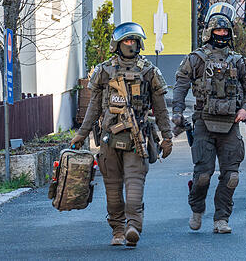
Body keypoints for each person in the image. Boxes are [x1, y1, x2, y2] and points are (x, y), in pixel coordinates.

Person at [71, 22, 173, 248]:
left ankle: (133, 227)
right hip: (109, 139)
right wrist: (82, 134)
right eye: (127, 40)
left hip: (137, 140)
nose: (131, 44)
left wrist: (167, 136)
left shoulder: (149, 72)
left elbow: (161, 107)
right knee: (113, 190)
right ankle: (117, 230)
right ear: (117, 44)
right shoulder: (105, 71)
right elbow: (94, 107)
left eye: (134, 41)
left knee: (135, 189)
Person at [173, 3, 246, 234]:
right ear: (209, 33)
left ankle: (221, 219)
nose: (222, 35)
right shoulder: (196, 58)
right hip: (203, 121)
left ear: (230, 33)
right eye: (218, 31)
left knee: (231, 176)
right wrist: (177, 112)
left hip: (231, 123)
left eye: (225, 31)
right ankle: (197, 209)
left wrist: (245, 110)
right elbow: (180, 86)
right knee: (203, 176)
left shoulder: (239, 61)